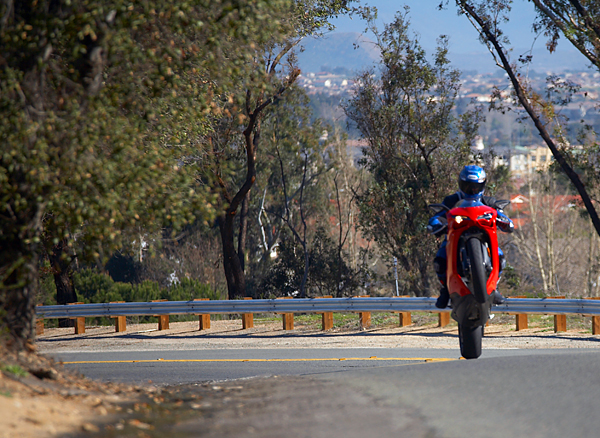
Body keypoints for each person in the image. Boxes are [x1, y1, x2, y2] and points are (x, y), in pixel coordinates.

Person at [428, 165, 514, 309]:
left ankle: (494, 286)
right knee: (440, 259)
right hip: (455, 238)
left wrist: (506, 222)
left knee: (500, 257)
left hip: (483, 238)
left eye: (476, 187)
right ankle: (445, 290)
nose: (472, 190)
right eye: (468, 186)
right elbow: (439, 215)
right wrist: (435, 223)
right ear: (461, 184)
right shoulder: (451, 200)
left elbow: (500, 214)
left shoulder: (489, 202)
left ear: (482, 186)